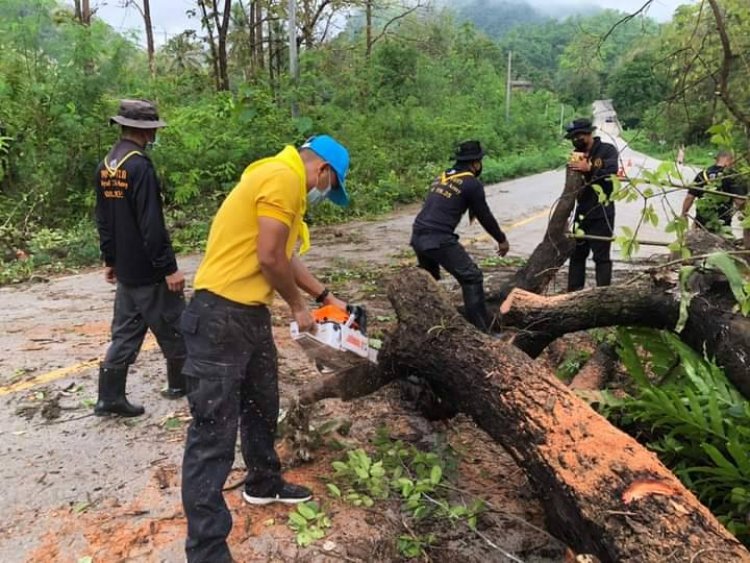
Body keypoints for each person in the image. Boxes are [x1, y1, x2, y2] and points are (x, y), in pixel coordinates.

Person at [181, 135, 351, 563]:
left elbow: (286, 255)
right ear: (324, 171)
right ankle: (206, 551)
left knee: (261, 402)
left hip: (249, 315)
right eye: (330, 186)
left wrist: (324, 296)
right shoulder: (281, 178)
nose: (324, 193)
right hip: (220, 314)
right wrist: (298, 307)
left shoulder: (282, 179)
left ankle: (263, 481)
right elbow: (270, 256)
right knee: (212, 433)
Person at [94, 99, 187, 418]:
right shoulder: (140, 166)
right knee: (175, 324)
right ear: (144, 131)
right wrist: (169, 268)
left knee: (125, 332)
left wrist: (111, 259)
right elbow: (152, 225)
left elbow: (103, 219)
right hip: (149, 271)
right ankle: (181, 385)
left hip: (127, 271)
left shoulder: (107, 164)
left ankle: (109, 398)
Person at [410, 140, 509, 332]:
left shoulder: (443, 176)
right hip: (438, 238)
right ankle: (481, 332)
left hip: (418, 236)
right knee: (471, 277)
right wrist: (501, 239)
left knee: (430, 280)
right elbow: (484, 215)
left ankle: (426, 324)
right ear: (475, 163)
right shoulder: (472, 183)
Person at [565, 118, 619, 291]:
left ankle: (603, 295)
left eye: (579, 135)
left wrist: (590, 169)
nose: (576, 139)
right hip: (582, 213)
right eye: (573, 137)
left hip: (602, 212)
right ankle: (573, 294)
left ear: (589, 133)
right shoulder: (576, 154)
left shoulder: (607, 150)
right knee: (577, 255)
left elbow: (611, 172)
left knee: (601, 257)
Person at [681, 150, 746, 234]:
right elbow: (739, 201)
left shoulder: (702, 174)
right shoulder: (732, 176)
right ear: (729, 160)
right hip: (722, 226)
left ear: (717, 159)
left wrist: (684, 213)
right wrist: (745, 215)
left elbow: (689, 197)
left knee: (694, 242)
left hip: (700, 224)